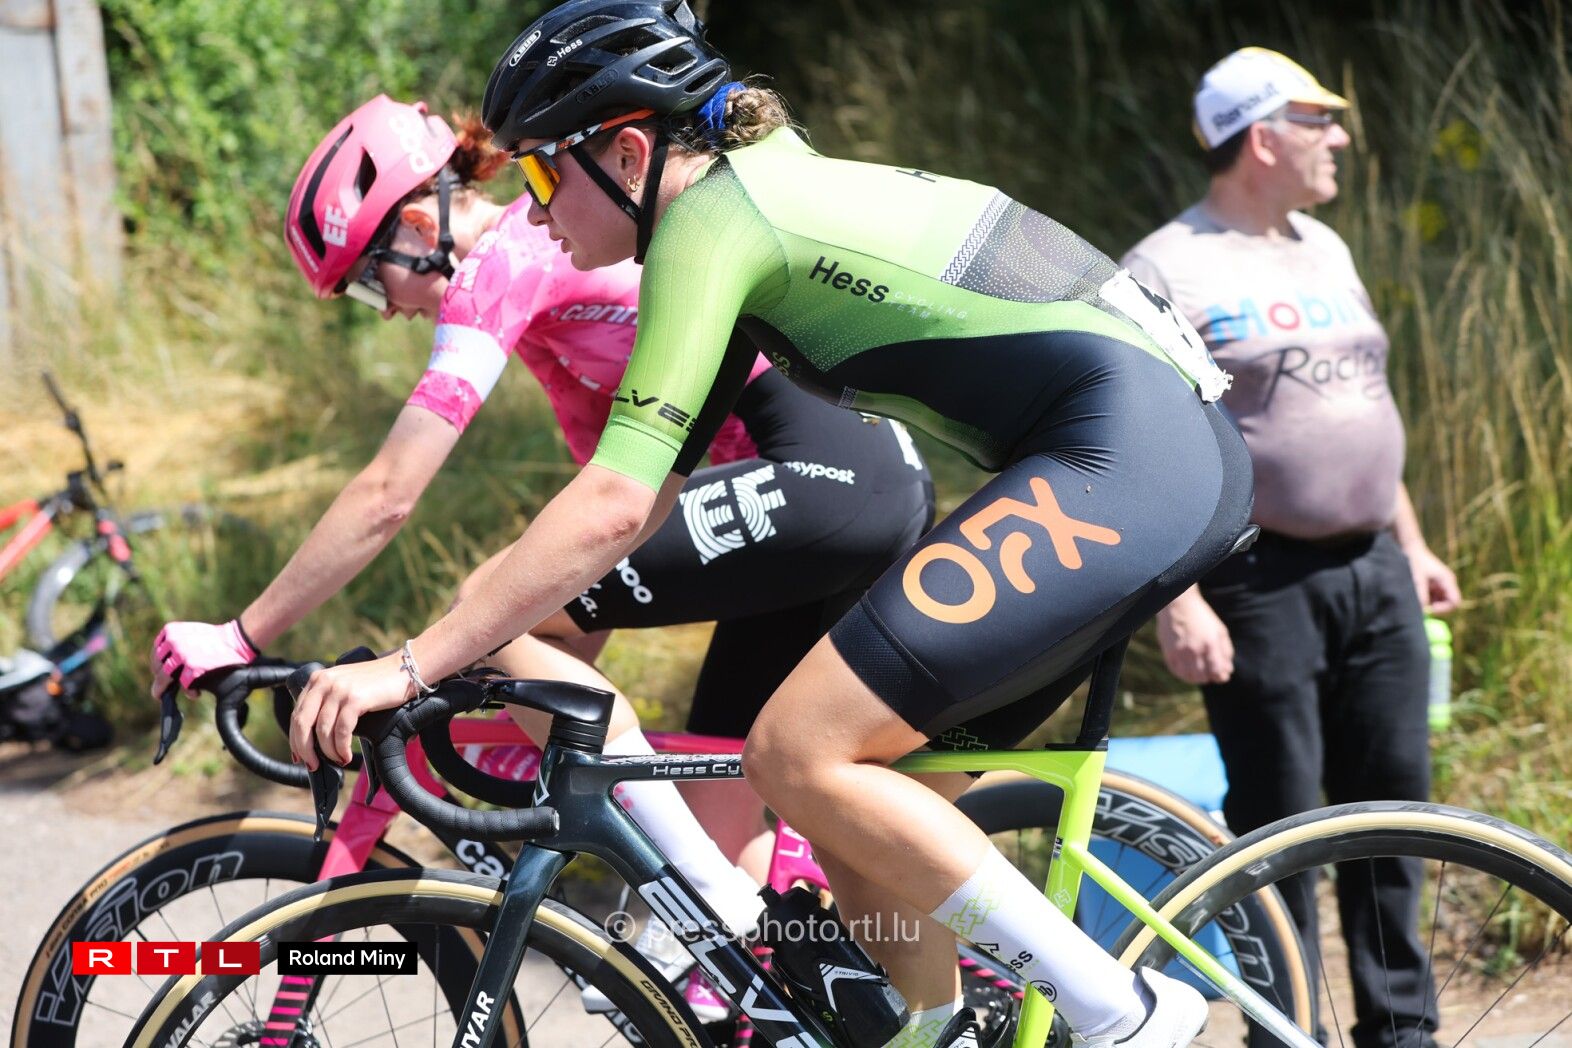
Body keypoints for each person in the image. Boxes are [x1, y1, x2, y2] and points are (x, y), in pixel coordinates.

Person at [283, 4, 1254, 1046]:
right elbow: (639, 499)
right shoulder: (745, 208)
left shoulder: (714, 227)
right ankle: (935, 1029)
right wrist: (473, 641)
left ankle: (1124, 1015)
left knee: (794, 754)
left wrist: (411, 666)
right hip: (1136, 456)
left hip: (1131, 457)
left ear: (628, 154)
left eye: (542, 174)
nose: (533, 208)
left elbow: (613, 504)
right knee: (858, 813)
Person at [149, 92, 934, 1016]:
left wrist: (243, 636)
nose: (387, 311)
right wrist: (505, 685)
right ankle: (790, 987)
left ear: (418, 227)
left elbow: (388, 493)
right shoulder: (561, 327)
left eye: (369, 283)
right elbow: (581, 560)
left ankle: (704, 904)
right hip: (832, 500)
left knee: (486, 599)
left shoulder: (509, 260)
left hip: (821, 482)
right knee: (726, 844)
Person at [1122, 47, 1461, 1048]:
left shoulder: (1325, 246)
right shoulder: (1165, 266)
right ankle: (1287, 1030)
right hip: (1256, 577)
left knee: (1395, 811)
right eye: (1321, 119)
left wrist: (1413, 543)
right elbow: (1140, 443)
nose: (1340, 137)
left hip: (1375, 568)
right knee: (1279, 824)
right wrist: (1179, 600)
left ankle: (1402, 1033)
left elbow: (1363, 402)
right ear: (1263, 138)